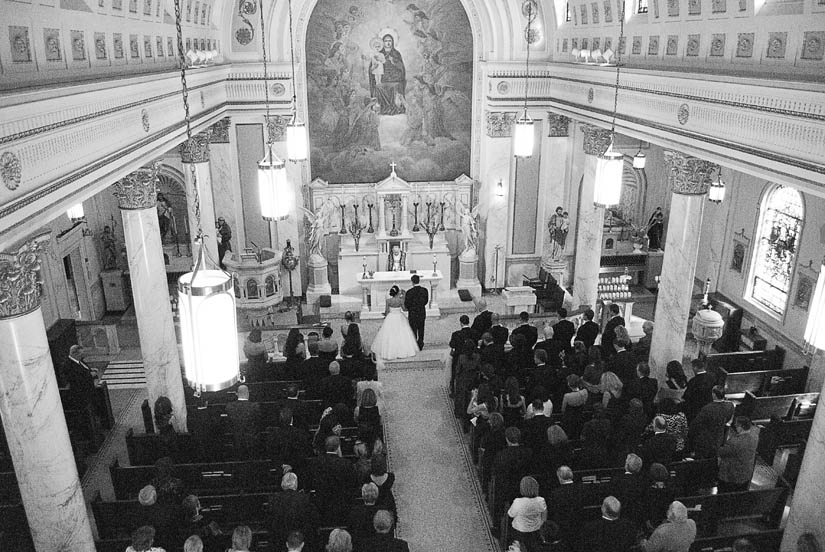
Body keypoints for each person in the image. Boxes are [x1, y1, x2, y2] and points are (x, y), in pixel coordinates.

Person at [307, 436, 358, 525]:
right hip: (342, 505)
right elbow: (353, 484)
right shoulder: (346, 464)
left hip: (321, 505)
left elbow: (310, 481)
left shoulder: (315, 463)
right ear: (338, 447)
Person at [268, 473, 319, 548]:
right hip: (300, 541)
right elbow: (313, 521)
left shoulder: (273, 500)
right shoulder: (305, 499)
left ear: (282, 483)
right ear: (296, 483)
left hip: (279, 542)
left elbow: (270, 522)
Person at [372, 285, 419, 360]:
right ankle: (402, 351)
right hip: (399, 317)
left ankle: (389, 351)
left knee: (389, 334)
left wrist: (384, 315)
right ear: (397, 292)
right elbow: (404, 309)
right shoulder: (400, 300)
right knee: (401, 334)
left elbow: (386, 311)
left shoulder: (388, 301)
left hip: (390, 317)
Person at [689, 385, 734, 458]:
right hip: (719, 437)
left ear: (714, 394)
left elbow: (696, 424)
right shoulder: (730, 405)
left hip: (705, 438)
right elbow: (728, 419)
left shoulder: (707, 408)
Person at [717, 416, 759, 493]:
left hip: (730, 476)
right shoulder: (755, 437)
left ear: (741, 427)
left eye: (736, 425)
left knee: (723, 497)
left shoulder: (735, 442)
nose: (735, 427)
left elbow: (721, 452)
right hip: (745, 473)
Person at [508, 476, 547, 552]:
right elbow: (544, 516)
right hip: (535, 531)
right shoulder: (541, 500)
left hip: (519, 531)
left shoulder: (518, 502)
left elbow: (510, 514)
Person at [373, 34, 406, 115]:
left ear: (393, 42)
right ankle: (384, 107)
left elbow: (401, 67)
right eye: (386, 41)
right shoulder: (378, 53)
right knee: (379, 87)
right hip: (384, 77)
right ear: (382, 42)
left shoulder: (396, 53)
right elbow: (374, 66)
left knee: (395, 86)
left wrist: (393, 61)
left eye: (389, 41)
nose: (388, 43)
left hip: (395, 78)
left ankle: (395, 107)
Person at [225, 384, 260, 458]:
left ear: (237, 394)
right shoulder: (255, 407)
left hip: (236, 439)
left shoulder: (230, 407)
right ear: (248, 393)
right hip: (251, 442)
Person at [449, 315, 475, 394]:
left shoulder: (456, 334)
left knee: (454, 372)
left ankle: (453, 390)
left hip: (458, 357)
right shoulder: (474, 332)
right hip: (472, 357)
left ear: (461, 323)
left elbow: (452, 345)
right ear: (468, 322)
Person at [404, 275, 429, 350]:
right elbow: (426, 301)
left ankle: (414, 344)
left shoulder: (409, 292)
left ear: (412, 282)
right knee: (421, 328)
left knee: (413, 329)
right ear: (419, 281)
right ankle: (420, 343)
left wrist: (411, 308)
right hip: (421, 312)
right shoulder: (424, 290)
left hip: (413, 313)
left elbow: (406, 304)